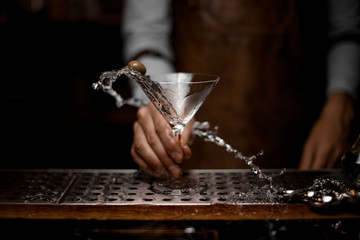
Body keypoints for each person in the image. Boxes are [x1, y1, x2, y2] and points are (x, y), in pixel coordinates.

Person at [121, 0, 360, 178]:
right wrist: (162, 102)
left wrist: (341, 104)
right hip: (195, 154)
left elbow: (348, 29)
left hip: (300, 134)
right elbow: (147, 36)